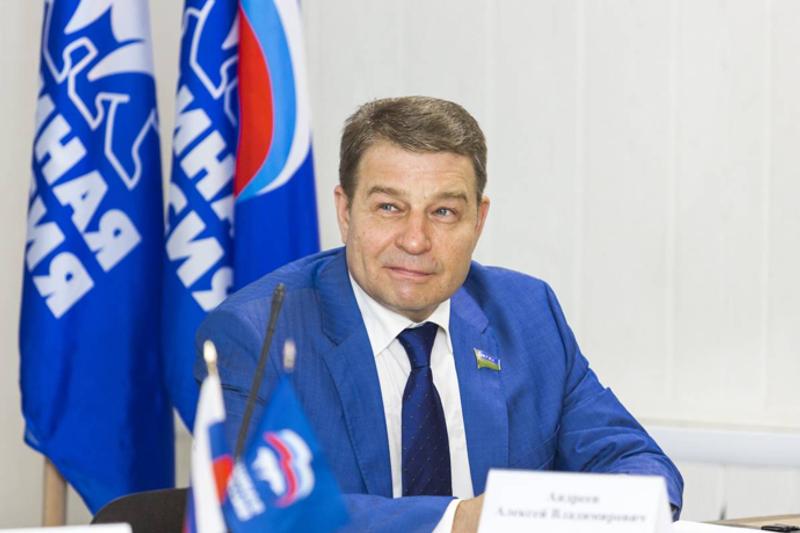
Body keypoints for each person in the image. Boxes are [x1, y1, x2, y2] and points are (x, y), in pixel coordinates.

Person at [196, 96, 683, 532]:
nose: (415, 240)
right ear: (345, 212)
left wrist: (610, 514)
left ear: (479, 219)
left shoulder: (527, 314)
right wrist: (459, 521)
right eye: (390, 207)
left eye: (443, 212)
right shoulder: (257, 333)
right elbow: (257, 512)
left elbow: (637, 462)